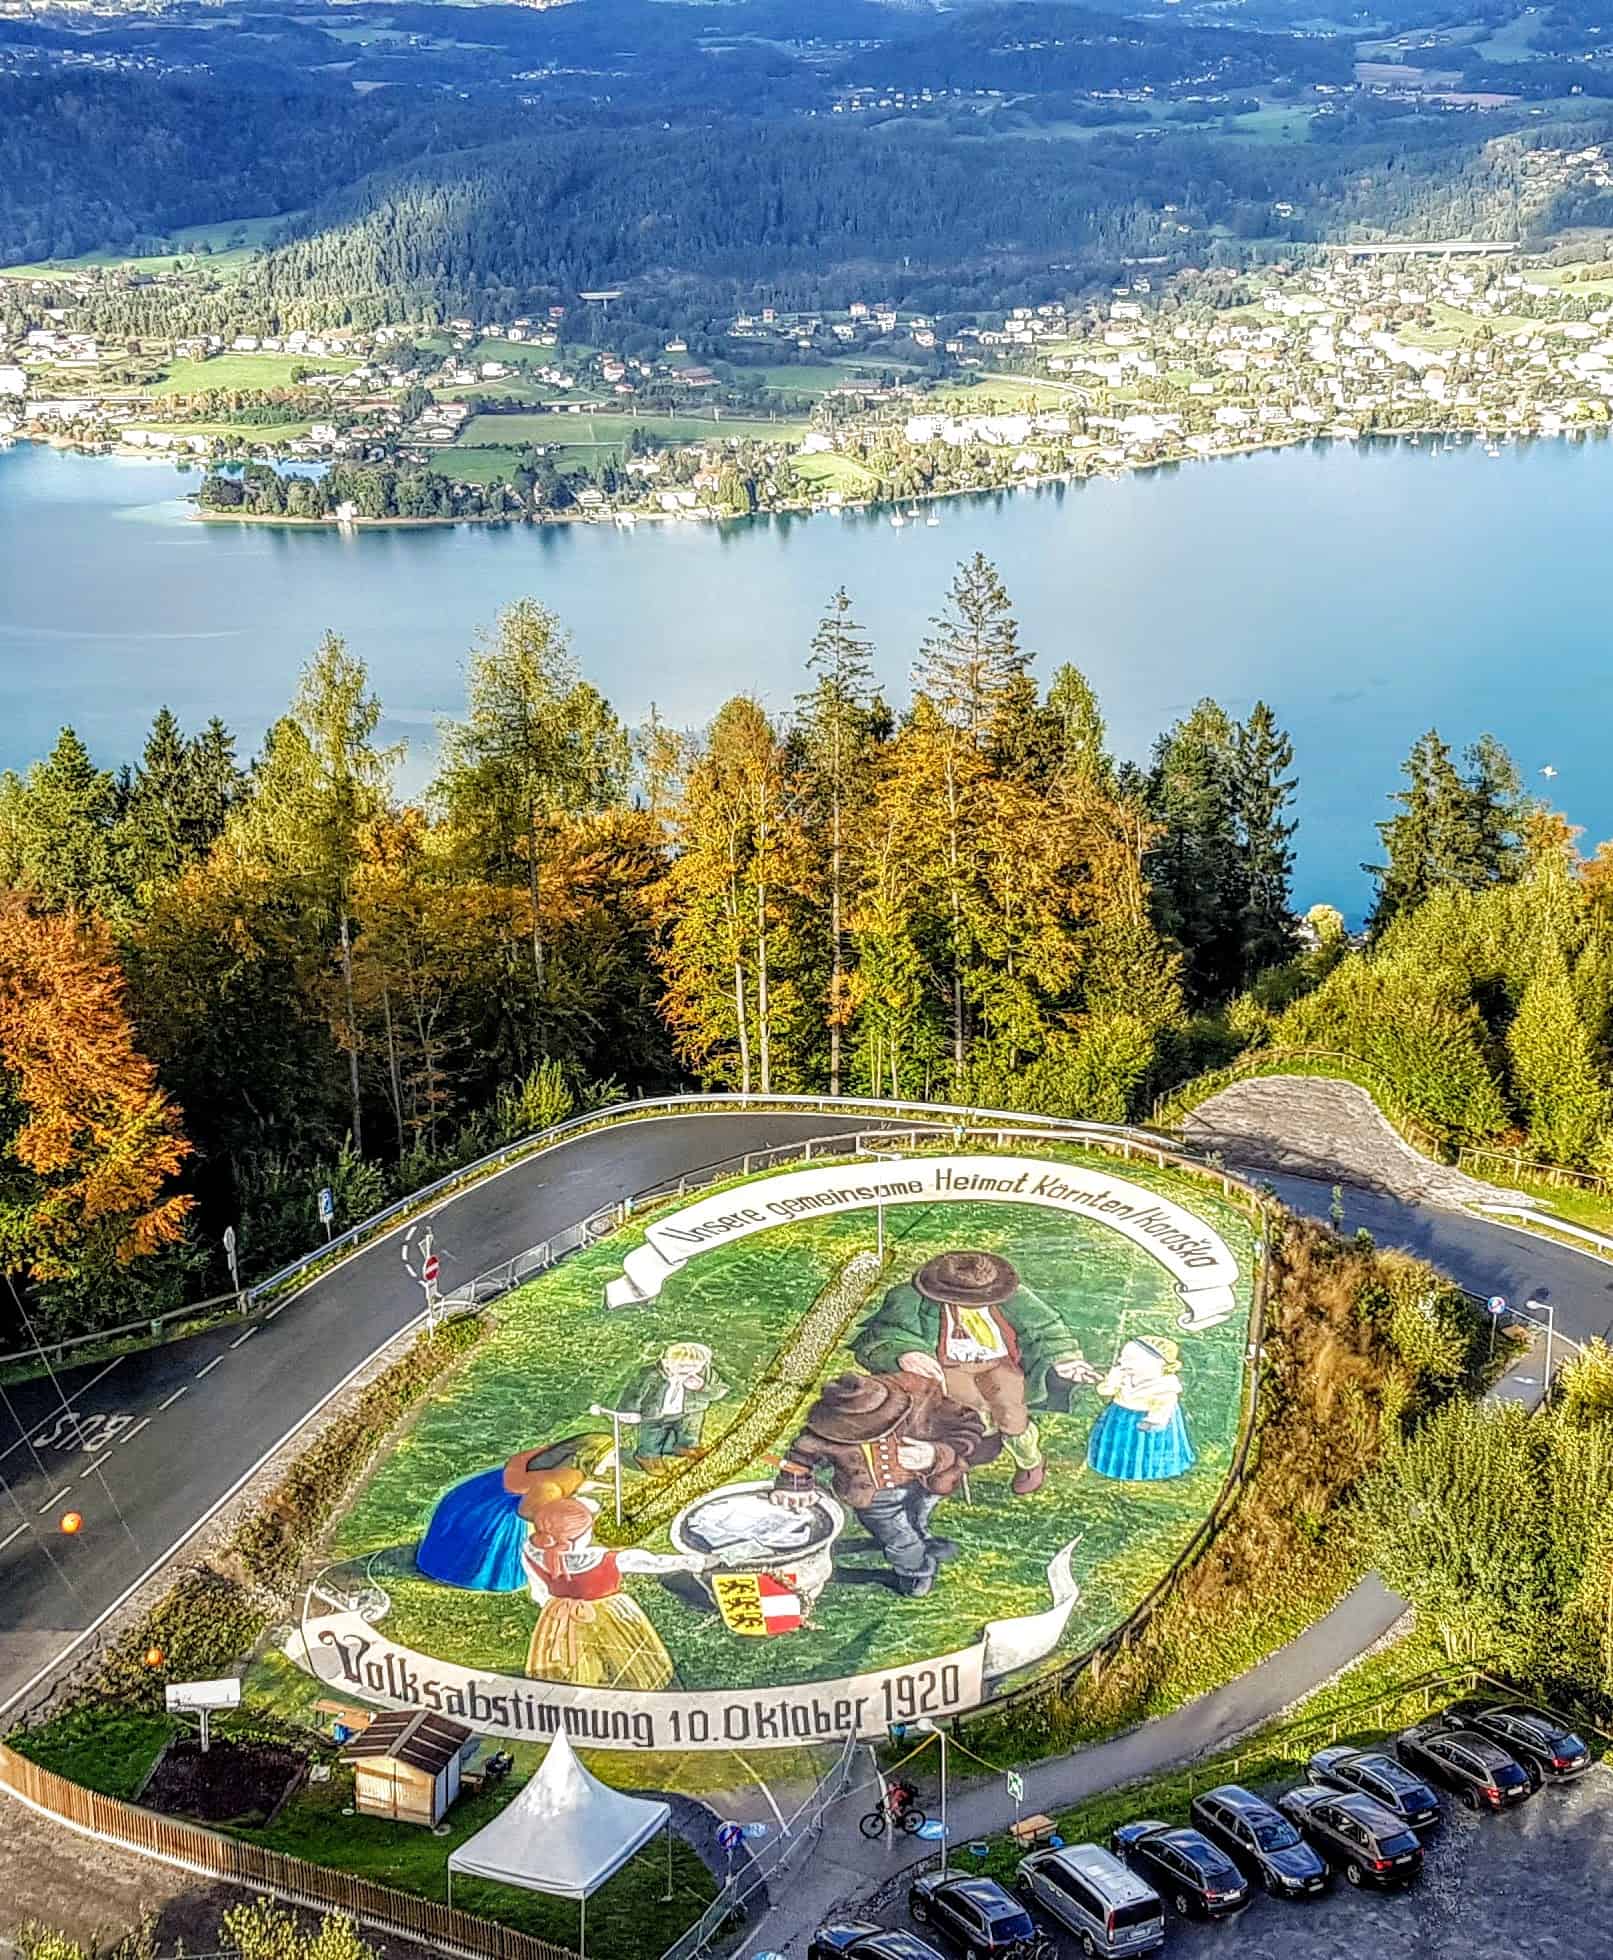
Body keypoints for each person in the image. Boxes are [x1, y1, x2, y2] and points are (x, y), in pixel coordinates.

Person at [855, 1250, 1098, 1497]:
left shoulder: (1012, 1296)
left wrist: (1065, 1357)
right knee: (967, 1415)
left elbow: (1047, 1327)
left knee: (1013, 1415)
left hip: (999, 1363)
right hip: (949, 1366)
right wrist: (906, 1353)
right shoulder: (909, 1297)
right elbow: (884, 1335)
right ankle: (953, 1462)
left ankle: (1030, 1462)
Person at [771, 1371, 985, 1598]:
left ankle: (924, 1539)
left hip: (925, 1484)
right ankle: (914, 1574)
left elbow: (969, 1426)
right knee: (900, 1538)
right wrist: (792, 1485)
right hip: (875, 1498)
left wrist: (936, 1454)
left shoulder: (921, 1396)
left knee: (918, 1517)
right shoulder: (828, 1428)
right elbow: (800, 1458)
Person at [522, 1496, 716, 1688]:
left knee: (570, 1658)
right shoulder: (605, 1559)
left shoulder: (532, 1552)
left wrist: (555, 1606)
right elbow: (654, 1562)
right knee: (625, 1653)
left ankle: (579, 1685)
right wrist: (695, 1561)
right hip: (609, 1612)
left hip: (559, 1613)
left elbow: (538, 1589)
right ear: (579, 1537)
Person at [416, 1434, 614, 1593]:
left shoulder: (564, 1471)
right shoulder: (553, 1483)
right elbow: (528, 1509)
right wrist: (573, 1513)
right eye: (610, 1458)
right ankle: (465, 1574)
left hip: (488, 1498)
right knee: (481, 1554)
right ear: (590, 1457)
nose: (612, 1464)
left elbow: (528, 1474)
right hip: (490, 1511)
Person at [1085, 1338, 1196, 1482]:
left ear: (1157, 1363)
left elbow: (1164, 1406)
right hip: (1119, 1417)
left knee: (1144, 1451)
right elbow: (1105, 1391)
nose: (1122, 1361)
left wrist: (1154, 1421)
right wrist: (1112, 1380)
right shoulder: (1124, 1376)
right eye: (1122, 1357)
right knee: (1118, 1446)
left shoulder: (1164, 1386)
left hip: (1146, 1423)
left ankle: (1149, 1472)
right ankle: (1111, 1466)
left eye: (1130, 1358)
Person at [611, 1340, 731, 1466]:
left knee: (690, 1428)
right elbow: (635, 1392)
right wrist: (628, 1411)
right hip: (656, 1413)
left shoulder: (705, 1373)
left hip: (689, 1411)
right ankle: (648, 1457)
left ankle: (687, 1447)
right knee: (653, 1434)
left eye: (696, 1367)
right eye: (682, 1366)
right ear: (666, 1363)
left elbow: (720, 1390)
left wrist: (702, 1387)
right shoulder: (651, 1374)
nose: (689, 1371)